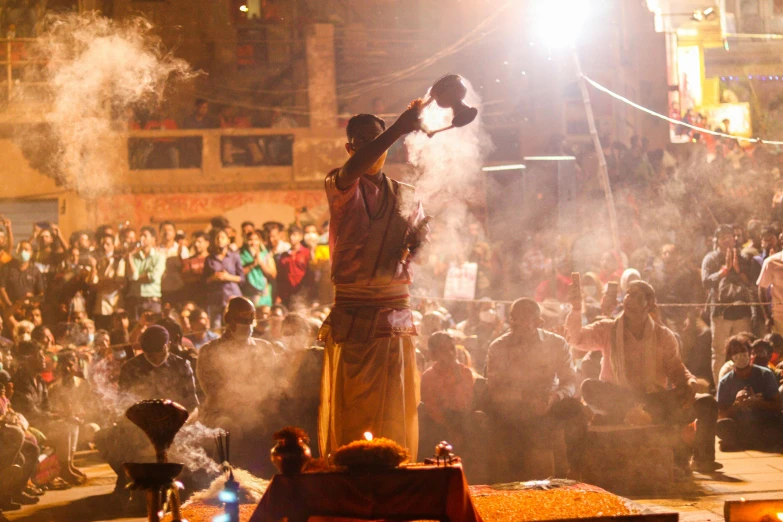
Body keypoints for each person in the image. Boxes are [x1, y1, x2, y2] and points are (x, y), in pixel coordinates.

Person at [318, 106, 428, 460]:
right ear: (351, 149)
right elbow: (356, 168)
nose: (371, 148)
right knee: (355, 405)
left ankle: (396, 466)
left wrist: (421, 240)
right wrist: (399, 127)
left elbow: (419, 248)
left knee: (396, 403)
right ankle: (350, 469)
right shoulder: (340, 184)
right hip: (355, 315)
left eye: (375, 139)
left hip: (395, 313)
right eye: (361, 141)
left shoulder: (407, 194)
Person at [567, 280, 721, 473]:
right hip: (619, 399)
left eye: (637, 296)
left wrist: (689, 383)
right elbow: (576, 339)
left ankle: (702, 460)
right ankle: (631, 413)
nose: (630, 299)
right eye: (629, 294)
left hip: (654, 402)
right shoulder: (608, 329)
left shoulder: (664, 335)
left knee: (706, 403)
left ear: (650, 304)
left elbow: (677, 370)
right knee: (589, 387)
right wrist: (575, 309)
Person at [486, 298, 584, 480]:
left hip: (550, 401)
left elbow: (570, 381)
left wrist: (554, 397)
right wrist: (524, 398)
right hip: (515, 405)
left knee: (575, 409)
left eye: (525, 319)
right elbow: (494, 389)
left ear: (539, 322)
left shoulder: (556, 343)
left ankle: (576, 469)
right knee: (507, 415)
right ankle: (517, 478)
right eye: (514, 318)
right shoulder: (498, 347)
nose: (518, 323)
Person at [197, 297, 277, 473]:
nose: (247, 325)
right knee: (229, 428)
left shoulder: (264, 349)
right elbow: (213, 391)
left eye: (250, 320)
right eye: (242, 320)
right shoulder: (210, 351)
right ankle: (224, 481)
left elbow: (274, 384)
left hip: (258, 412)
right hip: (222, 413)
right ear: (228, 319)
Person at [11, 341, 85, 485]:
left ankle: (68, 465)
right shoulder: (20, 381)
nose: (44, 360)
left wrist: (63, 414)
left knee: (71, 421)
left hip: (41, 421)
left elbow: (46, 408)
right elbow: (31, 412)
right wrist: (58, 416)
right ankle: (64, 468)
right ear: (27, 359)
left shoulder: (39, 380)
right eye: (39, 356)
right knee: (64, 427)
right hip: (29, 425)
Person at [703, 224, 755, 388]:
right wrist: (723, 272)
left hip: (742, 313)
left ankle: (745, 387)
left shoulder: (744, 257)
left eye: (729, 236)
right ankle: (720, 391)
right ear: (717, 240)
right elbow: (705, 282)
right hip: (720, 314)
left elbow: (752, 283)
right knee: (718, 354)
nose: (726, 239)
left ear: (735, 238)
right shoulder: (711, 259)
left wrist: (739, 271)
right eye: (723, 236)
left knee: (745, 352)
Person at [717, 336, 783, 451]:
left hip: (764, 422)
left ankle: (742, 443)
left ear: (749, 352)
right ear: (730, 357)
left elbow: (777, 406)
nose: (740, 355)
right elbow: (721, 415)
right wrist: (736, 405)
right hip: (740, 425)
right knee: (722, 426)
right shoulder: (725, 382)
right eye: (735, 352)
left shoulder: (765, 374)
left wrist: (756, 402)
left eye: (743, 350)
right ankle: (756, 443)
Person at [420, 331, 474, 451]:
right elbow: (432, 409)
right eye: (444, 350)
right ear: (433, 355)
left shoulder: (465, 372)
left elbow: (467, 403)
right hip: (440, 428)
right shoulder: (429, 377)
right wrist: (450, 429)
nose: (450, 354)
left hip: (464, 423)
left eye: (452, 349)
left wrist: (457, 377)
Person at [203, 229, 245, 328]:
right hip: (215, 298)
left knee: (235, 326)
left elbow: (242, 279)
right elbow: (204, 281)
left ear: (228, 240)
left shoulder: (234, 257)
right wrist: (213, 277)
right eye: (217, 238)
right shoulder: (209, 259)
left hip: (232, 296)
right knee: (216, 327)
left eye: (222, 237)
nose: (220, 240)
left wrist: (228, 277)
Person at [126, 226, 166, 321]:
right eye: (140, 236)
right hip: (136, 300)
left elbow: (153, 277)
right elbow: (132, 277)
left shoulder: (159, 257)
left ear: (153, 239)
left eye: (145, 236)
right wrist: (129, 256)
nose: (141, 239)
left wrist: (138, 278)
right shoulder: (134, 257)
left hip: (151, 300)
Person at [89, 233, 126, 331]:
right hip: (99, 305)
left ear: (113, 245)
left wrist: (101, 282)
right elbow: (92, 282)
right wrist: (93, 267)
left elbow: (117, 281)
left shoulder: (118, 262)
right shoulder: (98, 262)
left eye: (108, 244)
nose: (104, 247)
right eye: (102, 244)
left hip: (113, 304)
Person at [0, 241, 45, 310]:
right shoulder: (7, 268)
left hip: (29, 310)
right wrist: (10, 305)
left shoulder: (35, 271)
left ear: (31, 252)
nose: (23, 252)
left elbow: (41, 293)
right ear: (17, 251)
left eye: (26, 250)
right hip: (10, 309)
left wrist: (34, 305)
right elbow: (2, 289)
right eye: (20, 249)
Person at [275, 225, 312, 308]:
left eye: (294, 235)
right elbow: (280, 276)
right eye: (290, 235)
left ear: (301, 237)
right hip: (287, 294)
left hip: (302, 292)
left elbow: (310, 273)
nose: (292, 238)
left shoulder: (306, 253)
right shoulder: (284, 256)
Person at [240, 230, 276, 308]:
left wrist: (261, 263)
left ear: (260, 241)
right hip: (249, 295)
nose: (253, 242)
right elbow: (239, 274)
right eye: (250, 240)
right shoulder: (241, 255)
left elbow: (272, 275)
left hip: (264, 295)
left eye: (256, 240)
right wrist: (253, 264)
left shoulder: (266, 255)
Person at [158, 220, 189, 306]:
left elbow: (186, 269)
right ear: (159, 233)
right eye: (164, 230)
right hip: (161, 289)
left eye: (170, 230)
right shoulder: (155, 250)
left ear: (174, 233)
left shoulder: (182, 249)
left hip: (178, 289)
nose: (167, 232)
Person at [182, 231, 210, 305]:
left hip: (210, 296)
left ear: (207, 243)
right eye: (194, 242)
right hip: (193, 296)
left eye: (199, 242)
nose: (196, 244)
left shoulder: (212, 259)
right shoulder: (189, 261)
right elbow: (186, 278)